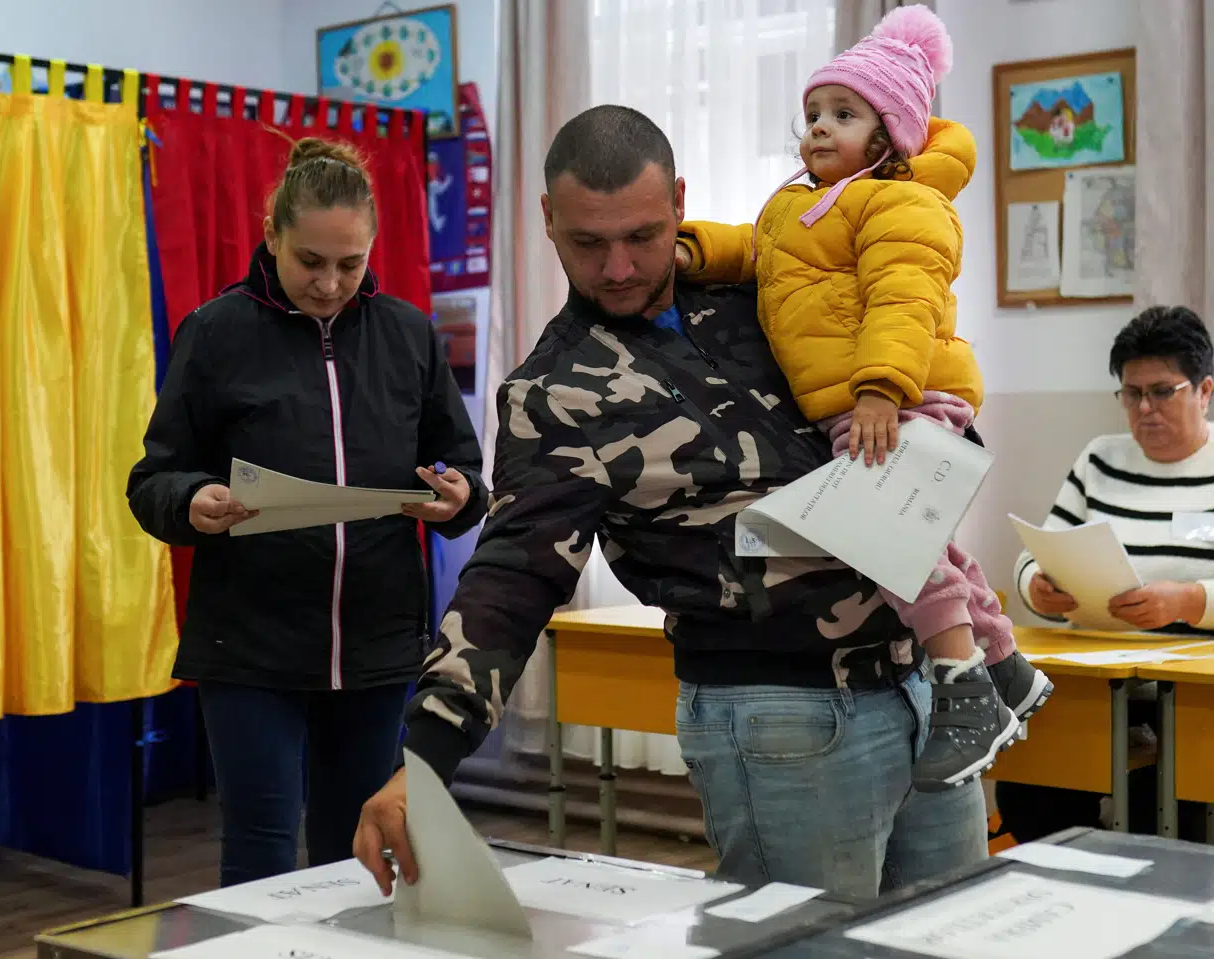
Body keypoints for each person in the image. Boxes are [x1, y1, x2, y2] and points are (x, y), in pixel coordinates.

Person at [352, 104, 988, 900]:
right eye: (588, 243)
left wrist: (942, 433)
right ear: (547, 221)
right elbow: (509, 580)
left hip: (924, 678)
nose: (618, 268)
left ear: (680, 203)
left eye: (643, 237)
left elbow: (902, 344)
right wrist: (425, 760)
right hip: (777, 712)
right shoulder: (553, 394)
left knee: (950, 933)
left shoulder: (768, 284)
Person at [671, 4, 1051, 791]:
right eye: (812, 112)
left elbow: (905, 297)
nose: (817, 128)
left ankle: (963, 686)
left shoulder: (902, 203)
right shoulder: (799, 204)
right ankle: (1009, 668)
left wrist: (881, 389)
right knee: (926, 541)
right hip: (865, 397)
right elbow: (755, 250)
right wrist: (695, 246)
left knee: (885, 536)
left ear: (888, 137)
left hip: (905, 392)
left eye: (842, 115)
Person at [127, 137, 488, 886]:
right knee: (260, 850)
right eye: (310, 262)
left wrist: (459, 497)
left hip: (376, 644)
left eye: (349, 265)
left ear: (372, 249)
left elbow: (465, 473)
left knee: (354, 849)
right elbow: (152, 479)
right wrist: (191, 499)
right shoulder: (216, 332)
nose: (329, 285)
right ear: (271, 238)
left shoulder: (408, 336)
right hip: (250, 645)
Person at [999, 305, 1214, 842]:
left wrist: (1190, 600)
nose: (1145, 408)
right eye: (1131, 393)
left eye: (1163, 391)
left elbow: (1192, 600)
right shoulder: (1100, 460)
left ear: (1205, 391)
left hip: (1193, 691)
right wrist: (1037, 587)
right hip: (1102, 675)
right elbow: (1036, 552)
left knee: (1162, 806)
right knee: (1032, 785)